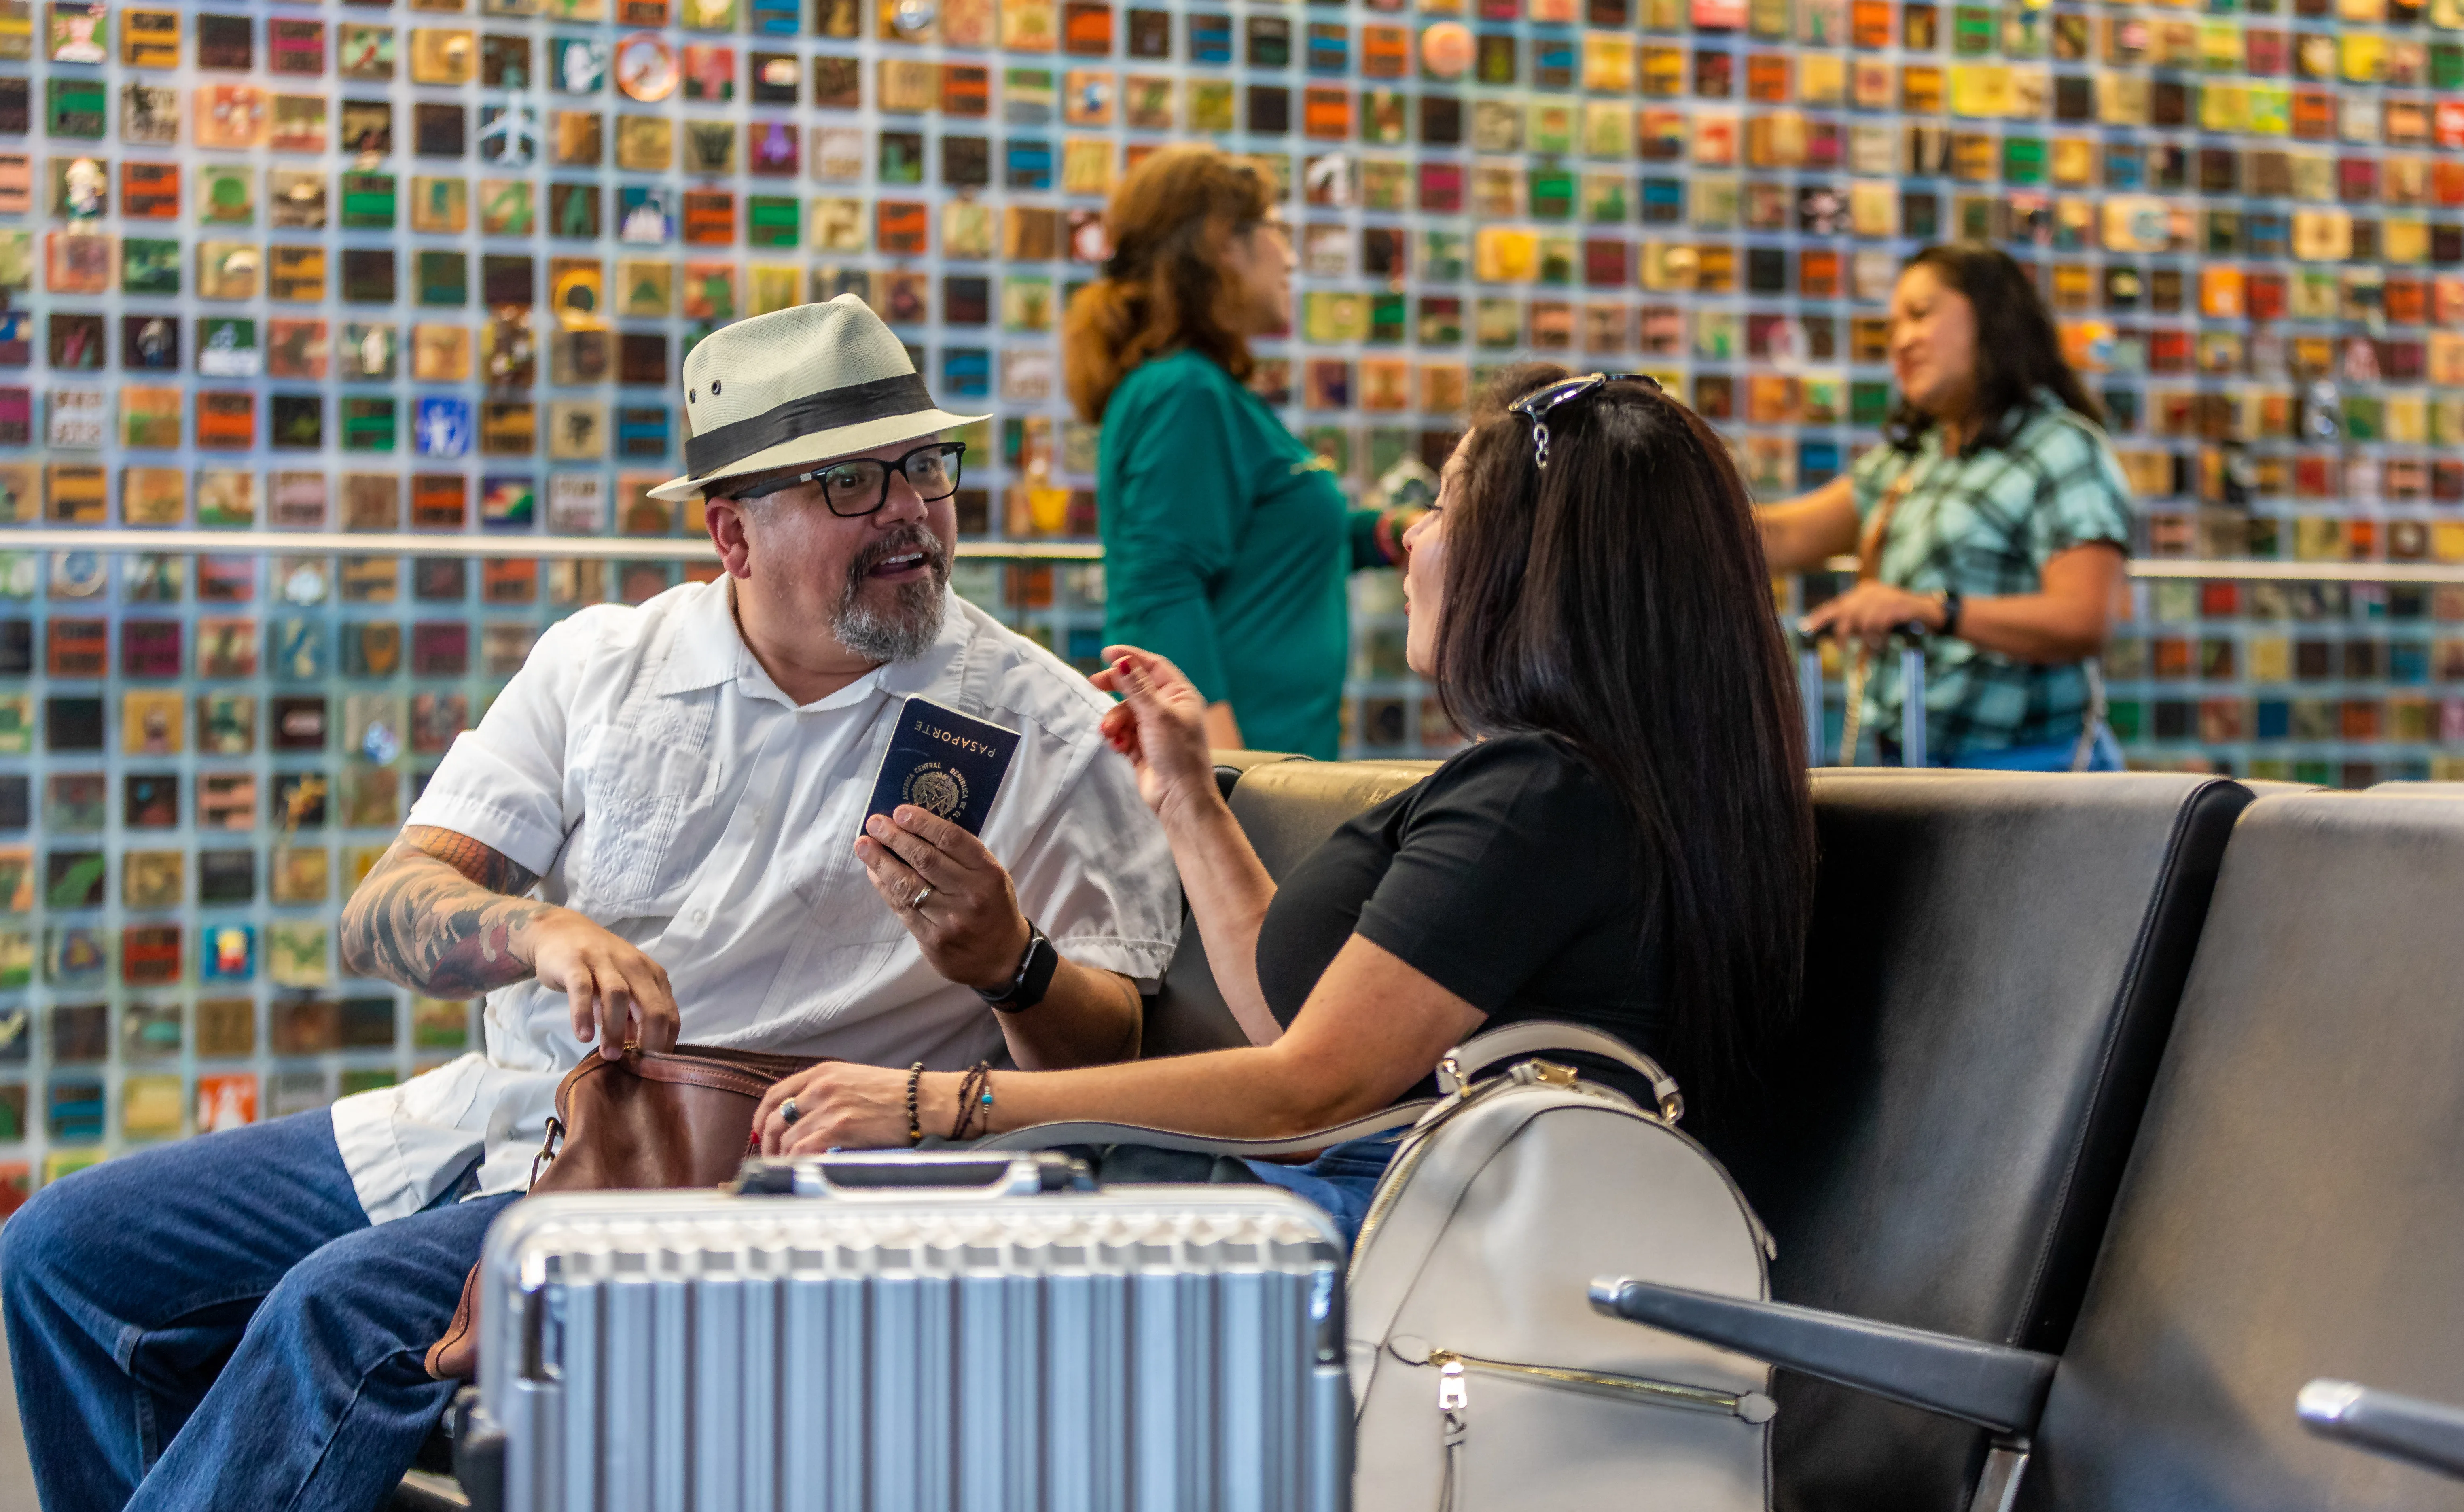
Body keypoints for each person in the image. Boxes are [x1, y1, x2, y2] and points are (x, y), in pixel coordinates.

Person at [1, 295, 1180, 1512]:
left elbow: (1118, 1057)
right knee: (63, 1257)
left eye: (923, 466)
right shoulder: (604, 663)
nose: (910, 513)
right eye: (848, 483)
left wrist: (1010, 966)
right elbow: (387, 909)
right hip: (498, 1119)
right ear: (732, 535)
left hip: (733, 1187)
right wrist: (536, 929)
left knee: (336, 1312)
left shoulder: (1041, 729)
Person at [749, 365, 1815, 1243]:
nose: (1410, 540)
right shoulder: (1589, 786)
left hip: (1429, 1277)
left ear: (1532, 568)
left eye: (1444, 505)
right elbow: (1312, 1032)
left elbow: (1309, 1096)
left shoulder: (1542, 795)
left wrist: (937, 1103)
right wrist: (1189, 802)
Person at [1069, 144, 1423, 760]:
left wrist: (1387, 534)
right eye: (1276, 228)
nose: (1289, 255)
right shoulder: (1183, 391)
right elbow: (1157, 588)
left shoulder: (1211, 391)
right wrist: (1224, 775)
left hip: (1282, 758)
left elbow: (1265, 541)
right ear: (1220, 244)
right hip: (1246, 770)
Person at [1757, 242, 2135, 770]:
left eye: (1919, 314)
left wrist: (1932, 609)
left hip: (2029, 783)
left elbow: (2084, 618)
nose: (1900, 343)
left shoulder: (2061, 447)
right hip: (1915, 769)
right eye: (1890, 330)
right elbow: (1785, 536)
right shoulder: (1914, 459)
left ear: (1992, 318)